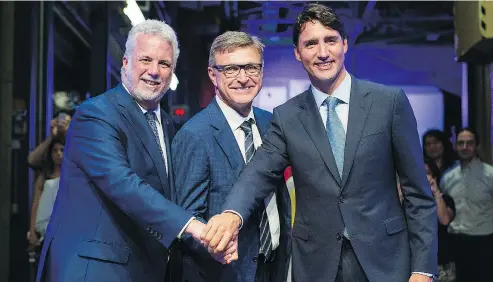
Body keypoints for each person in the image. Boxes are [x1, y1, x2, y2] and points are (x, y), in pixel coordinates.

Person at [200, 3, 437, 282]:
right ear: (298, 53)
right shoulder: (287, 116)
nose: (322, 53)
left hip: (386, 262)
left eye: (331, 40)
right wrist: (232, 214)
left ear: (345, 44)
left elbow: (419, 196)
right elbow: (259, 171)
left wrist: (423, 269)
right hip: (317, 266)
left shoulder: (389, 103)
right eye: (311, 44)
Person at [35, 20, 232, 282]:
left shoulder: (167, 124)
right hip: (94, 270)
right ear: (125, 63)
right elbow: (123, 184)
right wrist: (196, 227)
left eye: (164, 64)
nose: (154, 71)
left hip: (141, 268)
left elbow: (170, 195)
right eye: (145, 60)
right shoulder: (96, 114)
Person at [172, 31, 291, 282]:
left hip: (274, 266)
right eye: (231, 69)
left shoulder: (271, 124)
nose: (243, 78)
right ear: (212, 75)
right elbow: (185, 219)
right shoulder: (195, 135)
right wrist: (216, 247)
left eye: (251, 67)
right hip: (226, 272)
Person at [441, 128, 493, 282]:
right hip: (454, 243)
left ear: (477, 146)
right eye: (460, 143)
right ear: (455, 146)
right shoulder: (448, 177)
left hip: (483, 243)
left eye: (469, 143)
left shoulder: (490, 175)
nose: (464, 147)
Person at [27, 110, 72, 249]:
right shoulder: (45, 174)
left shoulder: (76, 170)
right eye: (55, 151)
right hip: (45, 233)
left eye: (62, 150)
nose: (59, 154)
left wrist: (69, 132)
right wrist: (51, 137)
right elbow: (32, 160)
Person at [424, 159, 455, 282]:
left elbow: (445, 220)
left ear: (434, 176)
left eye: (426, 172)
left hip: (442, 261)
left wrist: (436, 192)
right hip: (418, 264)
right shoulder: (411, 202)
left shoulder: (446, 199)